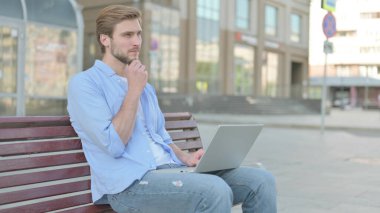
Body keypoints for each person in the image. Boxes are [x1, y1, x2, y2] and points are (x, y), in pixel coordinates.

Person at [67, 5, 277, 213]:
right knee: (214, 190)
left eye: (139, 34)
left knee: (261, 181)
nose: (136, 42)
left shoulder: (145, 86)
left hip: (170, 171)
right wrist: (133, 91)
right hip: (128, 186)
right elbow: (113, 145)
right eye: (127, 35)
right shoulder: (85, 84)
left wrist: (186, 157)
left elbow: (160, 136)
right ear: (105, 39)